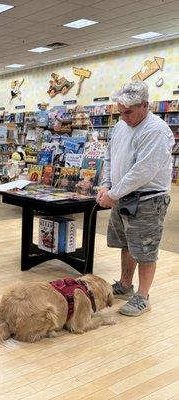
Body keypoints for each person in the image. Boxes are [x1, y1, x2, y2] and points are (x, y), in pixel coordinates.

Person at [97, 81, 174, 317]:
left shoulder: (156, 131)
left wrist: (112, 193)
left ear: (144, 105)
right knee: (126, 244)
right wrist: (106, 184)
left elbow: (142, 172)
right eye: (120, 111)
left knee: (145, 249)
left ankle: (143, 296)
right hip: (122, 195)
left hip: (148, 200)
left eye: (128, 112)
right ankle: (125, 285)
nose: (124, 117)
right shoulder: (121, 126)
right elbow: (109, 156)